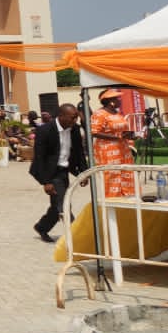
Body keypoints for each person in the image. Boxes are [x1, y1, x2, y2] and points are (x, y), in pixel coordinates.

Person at [28, 103, 89, 243]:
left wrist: (84, 172)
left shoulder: (74, 130)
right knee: (63, 205)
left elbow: (79, 153)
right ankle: (77, 237)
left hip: (63, 171)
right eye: (72, 118)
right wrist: (46, 182)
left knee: (58, 205)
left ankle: (42, 227)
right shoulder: (45, 131)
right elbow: (40, 157)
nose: (75, 121)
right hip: (49, 172)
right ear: (61, 116)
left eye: (76, 118)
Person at [91, 89, 137, 197]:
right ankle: (112, 204)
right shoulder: (99, 114)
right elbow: (94, 132)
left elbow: (121, 130)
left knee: (126, 174)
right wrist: (117, 137)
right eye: (117, 98)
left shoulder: (118, 113)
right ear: (110, 101)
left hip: (123, 150)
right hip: (108, 151)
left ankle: (126, 200)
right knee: (112, 177)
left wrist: (130, 135)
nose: (119, 100)